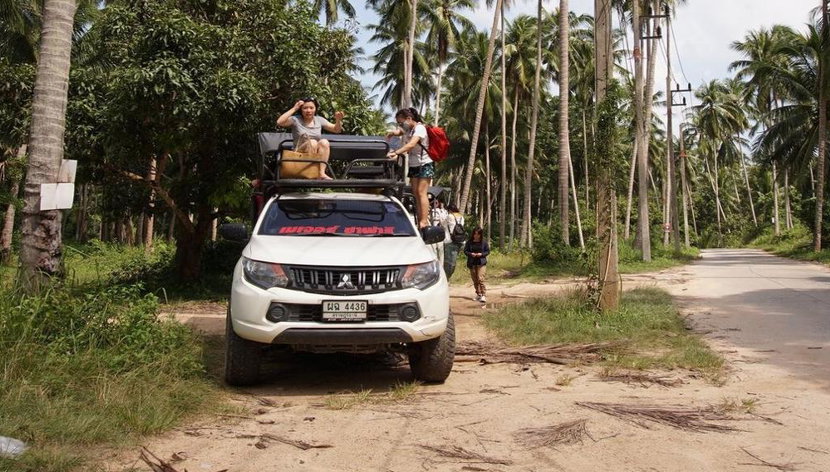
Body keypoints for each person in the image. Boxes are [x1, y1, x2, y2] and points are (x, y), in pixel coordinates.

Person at [386, 108, 432, 229]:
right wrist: (392, 133)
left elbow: (411, 144)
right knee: (416, 193)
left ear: (409, 119)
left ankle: (424, 221)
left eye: (401, 122)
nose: (400, 125)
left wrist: (396, 152)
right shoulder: (408, 129)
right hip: (413, 164)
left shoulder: (419, 128)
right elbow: (399, 132)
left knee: (422, 192)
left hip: (424, 164)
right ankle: (419, 217)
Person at [276, 97, 344, 179]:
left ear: (315, 109)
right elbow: (279, 122)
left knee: (324, 142)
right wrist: (294, 108)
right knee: (313, 142)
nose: (308, 110)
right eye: (305, 108)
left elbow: (336, 130)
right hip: (299, 153)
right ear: (301, 109)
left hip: (314, 151)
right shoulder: (295, 120)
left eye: (311, 108)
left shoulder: (319, 120)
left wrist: (338, 120)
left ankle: (321, 173)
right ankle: (313, 172)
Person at [464, 226, 489, 303]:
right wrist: (471, 254)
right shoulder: (469, 242)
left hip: (481, 262)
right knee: (475, 280)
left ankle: (483, 294)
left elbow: (487, 251)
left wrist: (481, 254)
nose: (476, 236)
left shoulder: (484, 242)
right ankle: (479, 294)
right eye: (475, 234)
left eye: (478, 234)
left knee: (480, 278)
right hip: (472, 262)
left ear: (480, 235)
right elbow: (465, 251)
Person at [443, 203, 464, 278]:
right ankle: (449, 276)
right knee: (453, 261)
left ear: (450, 210)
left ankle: (446, 277)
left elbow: (443, 225)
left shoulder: (450, 216)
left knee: (448, 262)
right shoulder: (461, 216)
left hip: (449, 241)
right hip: (460, 240)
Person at [430, 198, 449, 269]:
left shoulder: (443, 211)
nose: (436, 204)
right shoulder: (431, 211)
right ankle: (434, 267)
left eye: (437, 202)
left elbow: (444, 220)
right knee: (433, 251)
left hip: (440, 232)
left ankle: (441, 268)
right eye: (434, 203)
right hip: (432, 233)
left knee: (441, 252)